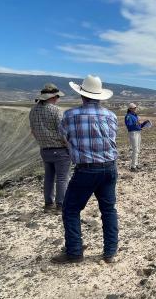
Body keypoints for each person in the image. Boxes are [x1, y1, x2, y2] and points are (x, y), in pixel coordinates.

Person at [51, 75, 118, 264]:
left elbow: (64, 138)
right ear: (100, 96)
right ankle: (110, 252)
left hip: (86, 169)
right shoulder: (111, 116)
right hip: (109, 167)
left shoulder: (71, 115)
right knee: (108, 209)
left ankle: (74, 252)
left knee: (71, 209)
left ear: (82, 95)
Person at [29, 83, 70, 213]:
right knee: (62, 178)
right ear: (53, 97)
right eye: (57, 96)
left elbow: (33, 131)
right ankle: (61, 205)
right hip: (60, 149)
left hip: (44, 149)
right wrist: (68, 146)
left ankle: (48, 204)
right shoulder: (56, 110)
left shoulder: (33, 110)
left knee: (49, 177)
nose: (58, 99)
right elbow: (63, 132)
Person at [125, 103, 142, 171]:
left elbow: (137, 124)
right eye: (134, 108)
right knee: (135, 149)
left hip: (138, 132)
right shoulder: (128, 116)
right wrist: (137, 123)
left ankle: (136, 164)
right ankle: (133, 166)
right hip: (133, 133)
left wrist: (141, 125)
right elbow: (129, 125)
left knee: (138, 148)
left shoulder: (135, 116)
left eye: (135, 108)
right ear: (130, 109)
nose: (135, 109)